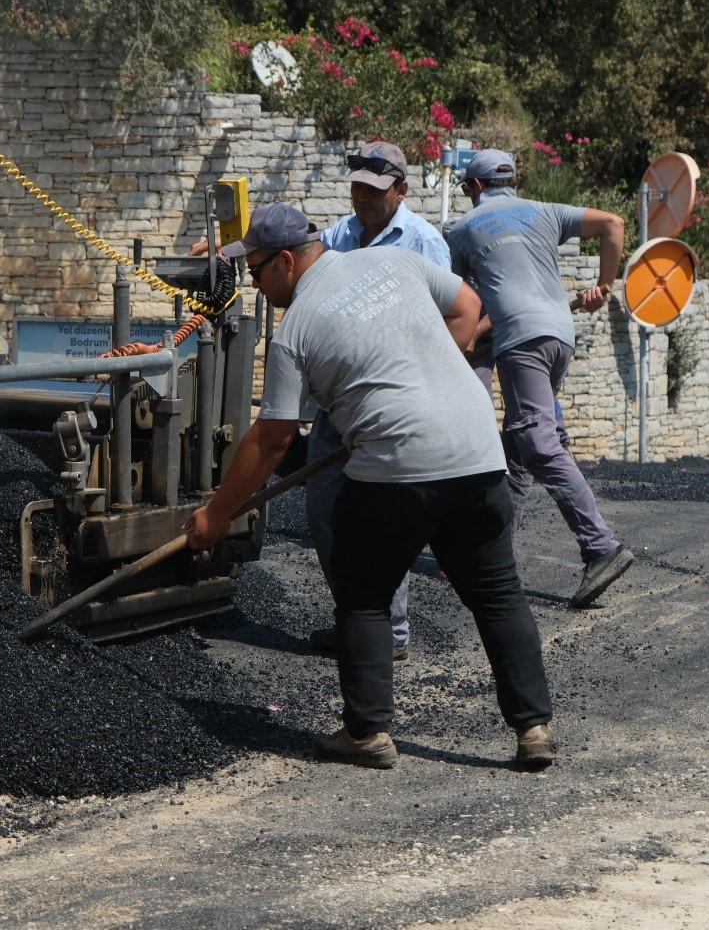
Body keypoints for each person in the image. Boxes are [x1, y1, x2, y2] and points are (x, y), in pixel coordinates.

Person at [183, 201, 556, 770]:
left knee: (362, 592)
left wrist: (214, 517)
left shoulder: (295, 330)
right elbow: (469, 305)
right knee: (497, 591)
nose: (255, 285)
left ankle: (366, 733)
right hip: (476, 450)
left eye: (256, 272)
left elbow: (272, 441)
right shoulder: (395, 261)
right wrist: (428, 380)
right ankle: (533, 729)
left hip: (397, 469)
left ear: (286, 262)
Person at [190, 141, 452, 662]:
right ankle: (359, 615)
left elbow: (451, 315)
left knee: (380, 517)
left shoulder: (424, 243)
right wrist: (224, 250)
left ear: (401, 188)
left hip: (392, 402)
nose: (360, 197)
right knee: (326, 506)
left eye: (372, 190)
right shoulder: (340, 235)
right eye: (355, 186)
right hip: (339, 402)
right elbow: (288, 248)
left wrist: (217, 512)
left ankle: (387, 629)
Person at [446, 148, 634, 609]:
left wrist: (463, 346)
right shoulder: (544, 211)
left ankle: (600, 546)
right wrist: (604, 285)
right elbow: (613, 224)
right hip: (558, 338)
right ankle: (496, 554)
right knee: (517, 454)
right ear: (512, 181)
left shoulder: (463, 229)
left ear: (474, 188)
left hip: (522, 343)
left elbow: (461, 308)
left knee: (535, 440)